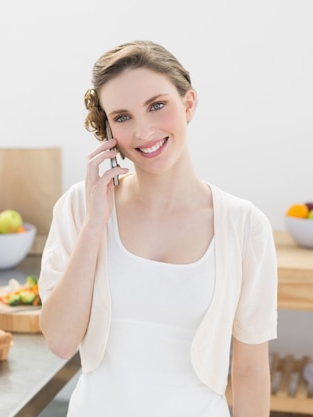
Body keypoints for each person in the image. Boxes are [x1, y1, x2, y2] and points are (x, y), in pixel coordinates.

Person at [38, 40, 278, 417]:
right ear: (108, 131)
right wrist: (94, 225)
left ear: (188, 104)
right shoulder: (80, 207)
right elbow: (60, 341)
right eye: (122, 116)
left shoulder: (245, 226)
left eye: (157, 106)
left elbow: (249, 371)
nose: (144, 130)